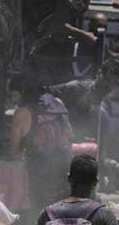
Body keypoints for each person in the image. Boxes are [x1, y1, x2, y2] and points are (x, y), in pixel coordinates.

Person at [9, 75, 74, 212]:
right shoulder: (58, 102)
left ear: (22, 92)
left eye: (15, 95)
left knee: (41, 211)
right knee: (63, 211)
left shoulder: (22, 113)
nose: (14, 99)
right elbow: (69, 135)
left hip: (40, 171)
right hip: (65, 168)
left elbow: (14, 149)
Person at [45, 59, 119, 138]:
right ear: (99, 74)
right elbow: (45, 93)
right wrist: (62, 117)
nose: (110, 86)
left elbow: (101, 139)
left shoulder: (107, 105)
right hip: (63, 142)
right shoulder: (78, 88)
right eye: (107, 79)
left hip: (83, 147)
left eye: (114, 82)